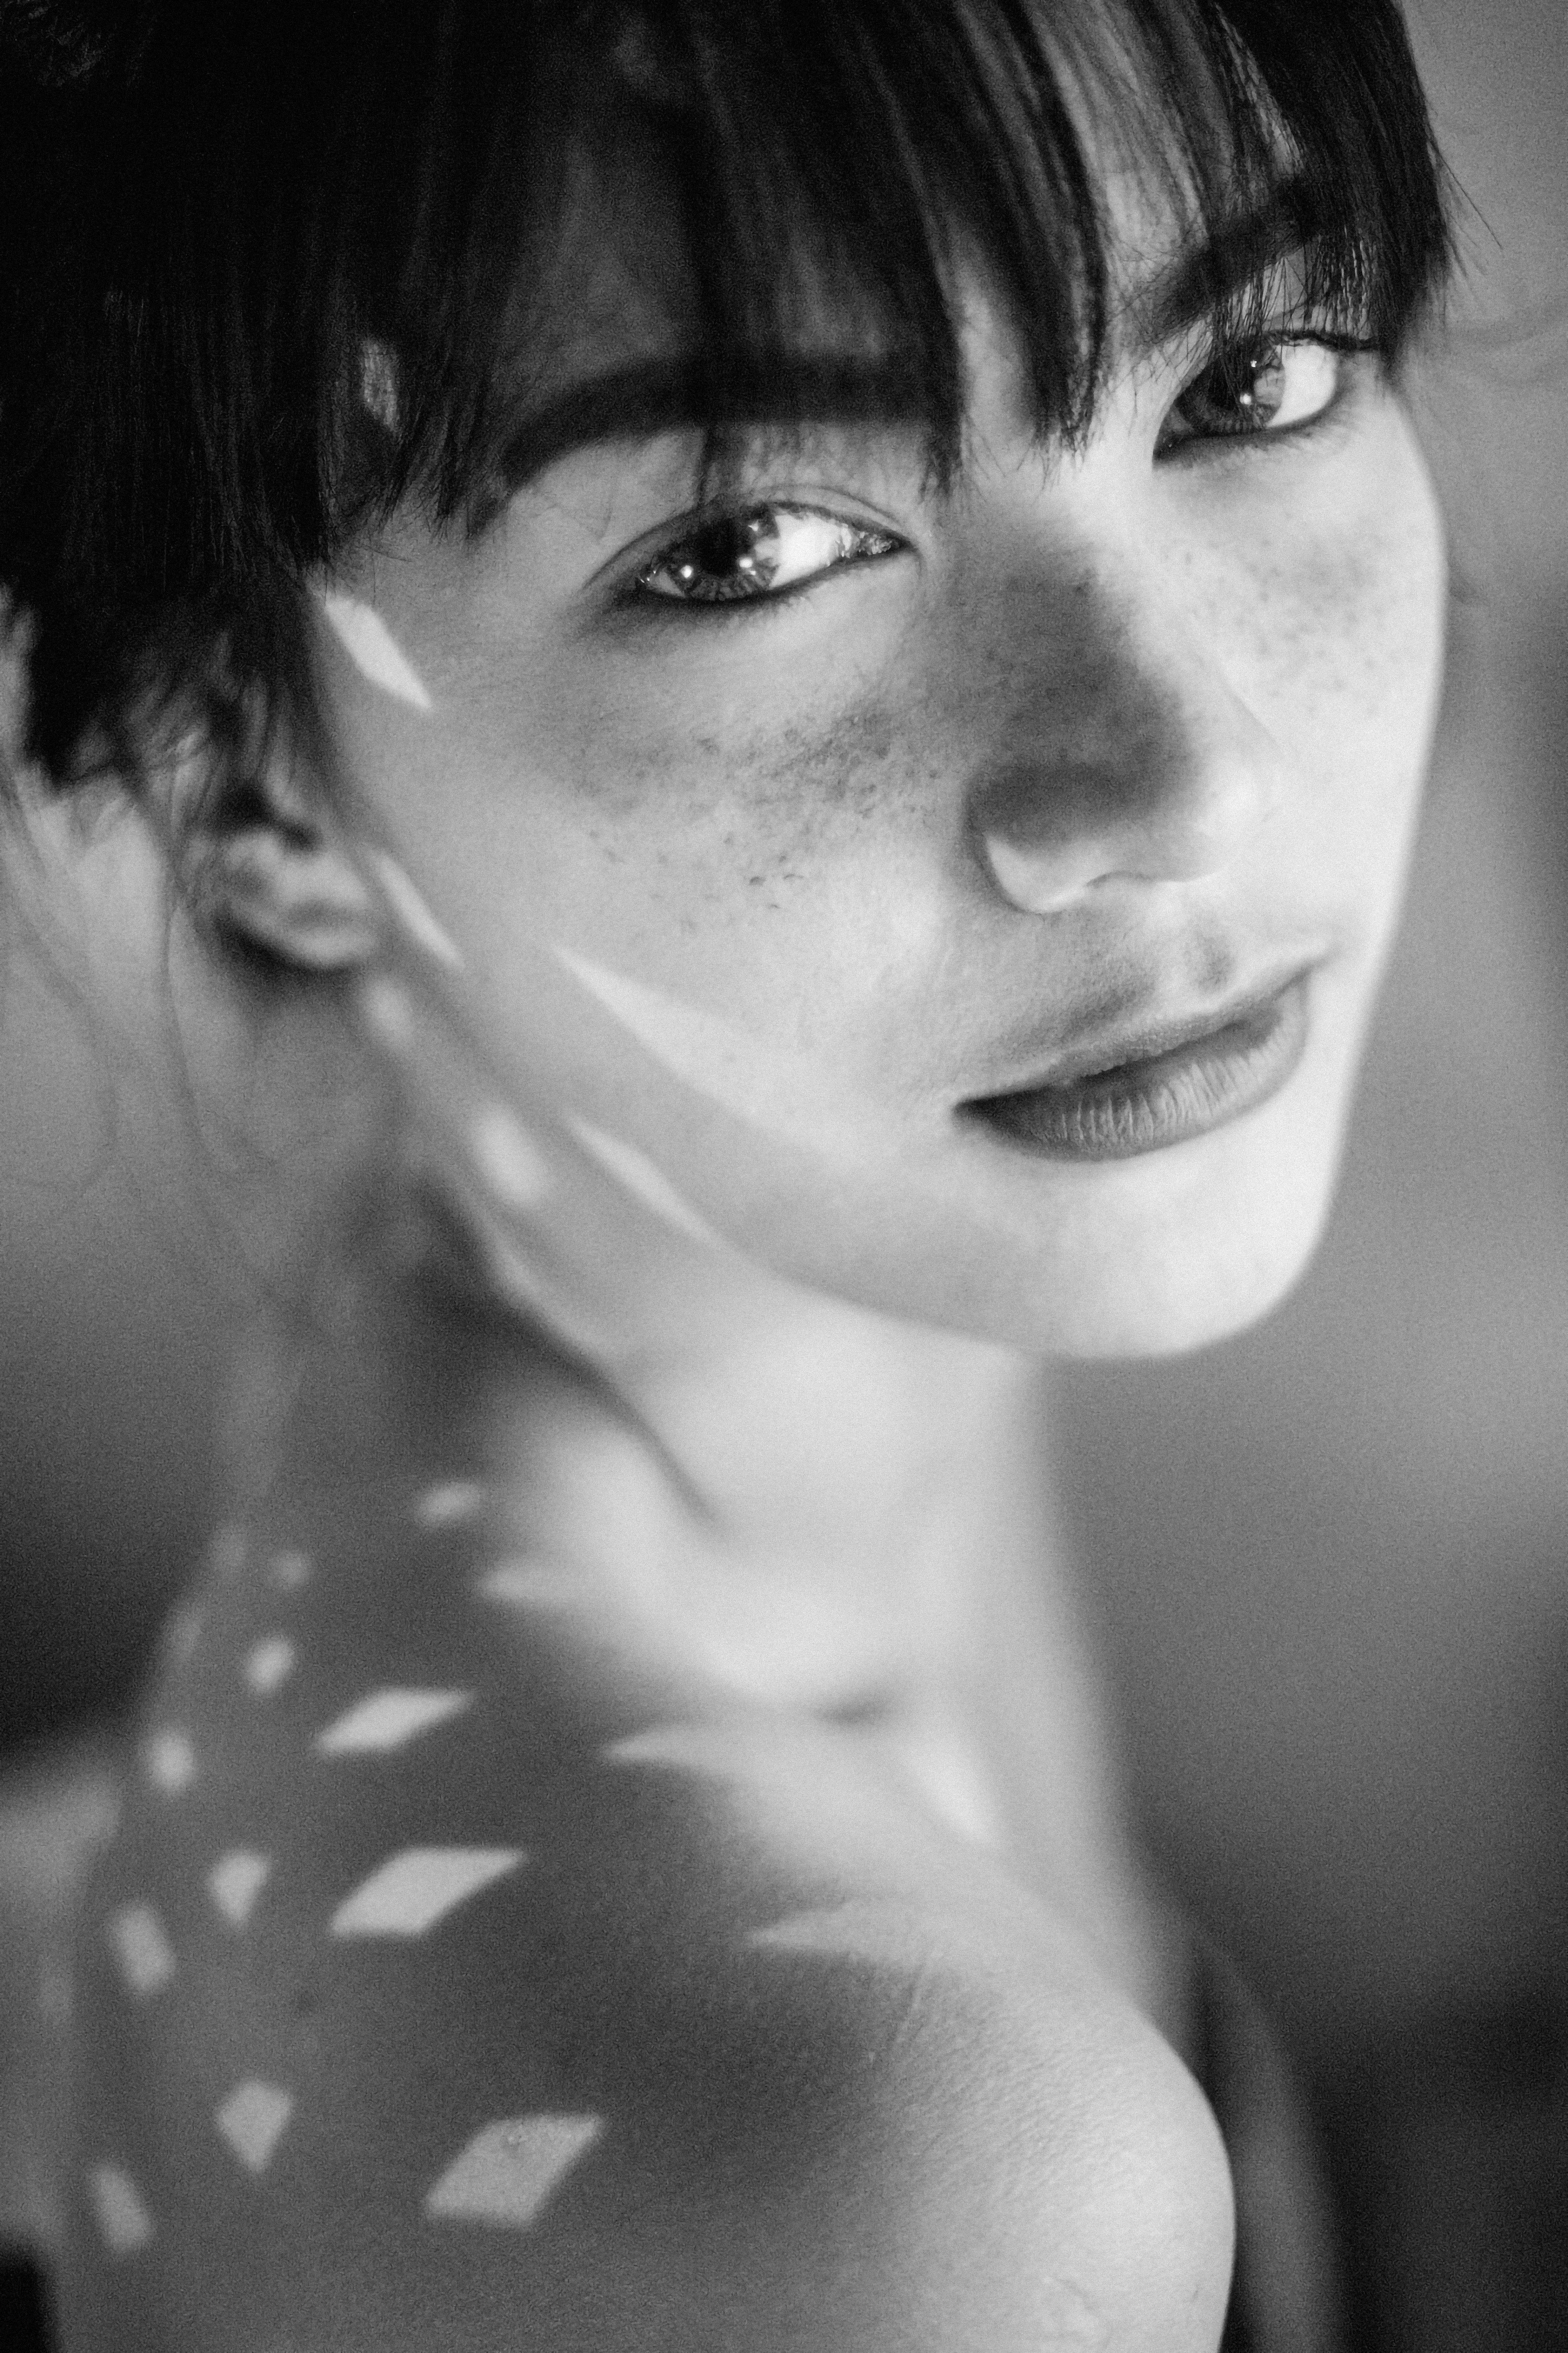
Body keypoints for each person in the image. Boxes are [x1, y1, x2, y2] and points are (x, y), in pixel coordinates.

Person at [0, 0, 1454, 2345]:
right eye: (752, 546)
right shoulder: (899, 2162)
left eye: (1257, 378)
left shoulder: (806, 1318)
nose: (1180, 781)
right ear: (248, 803)